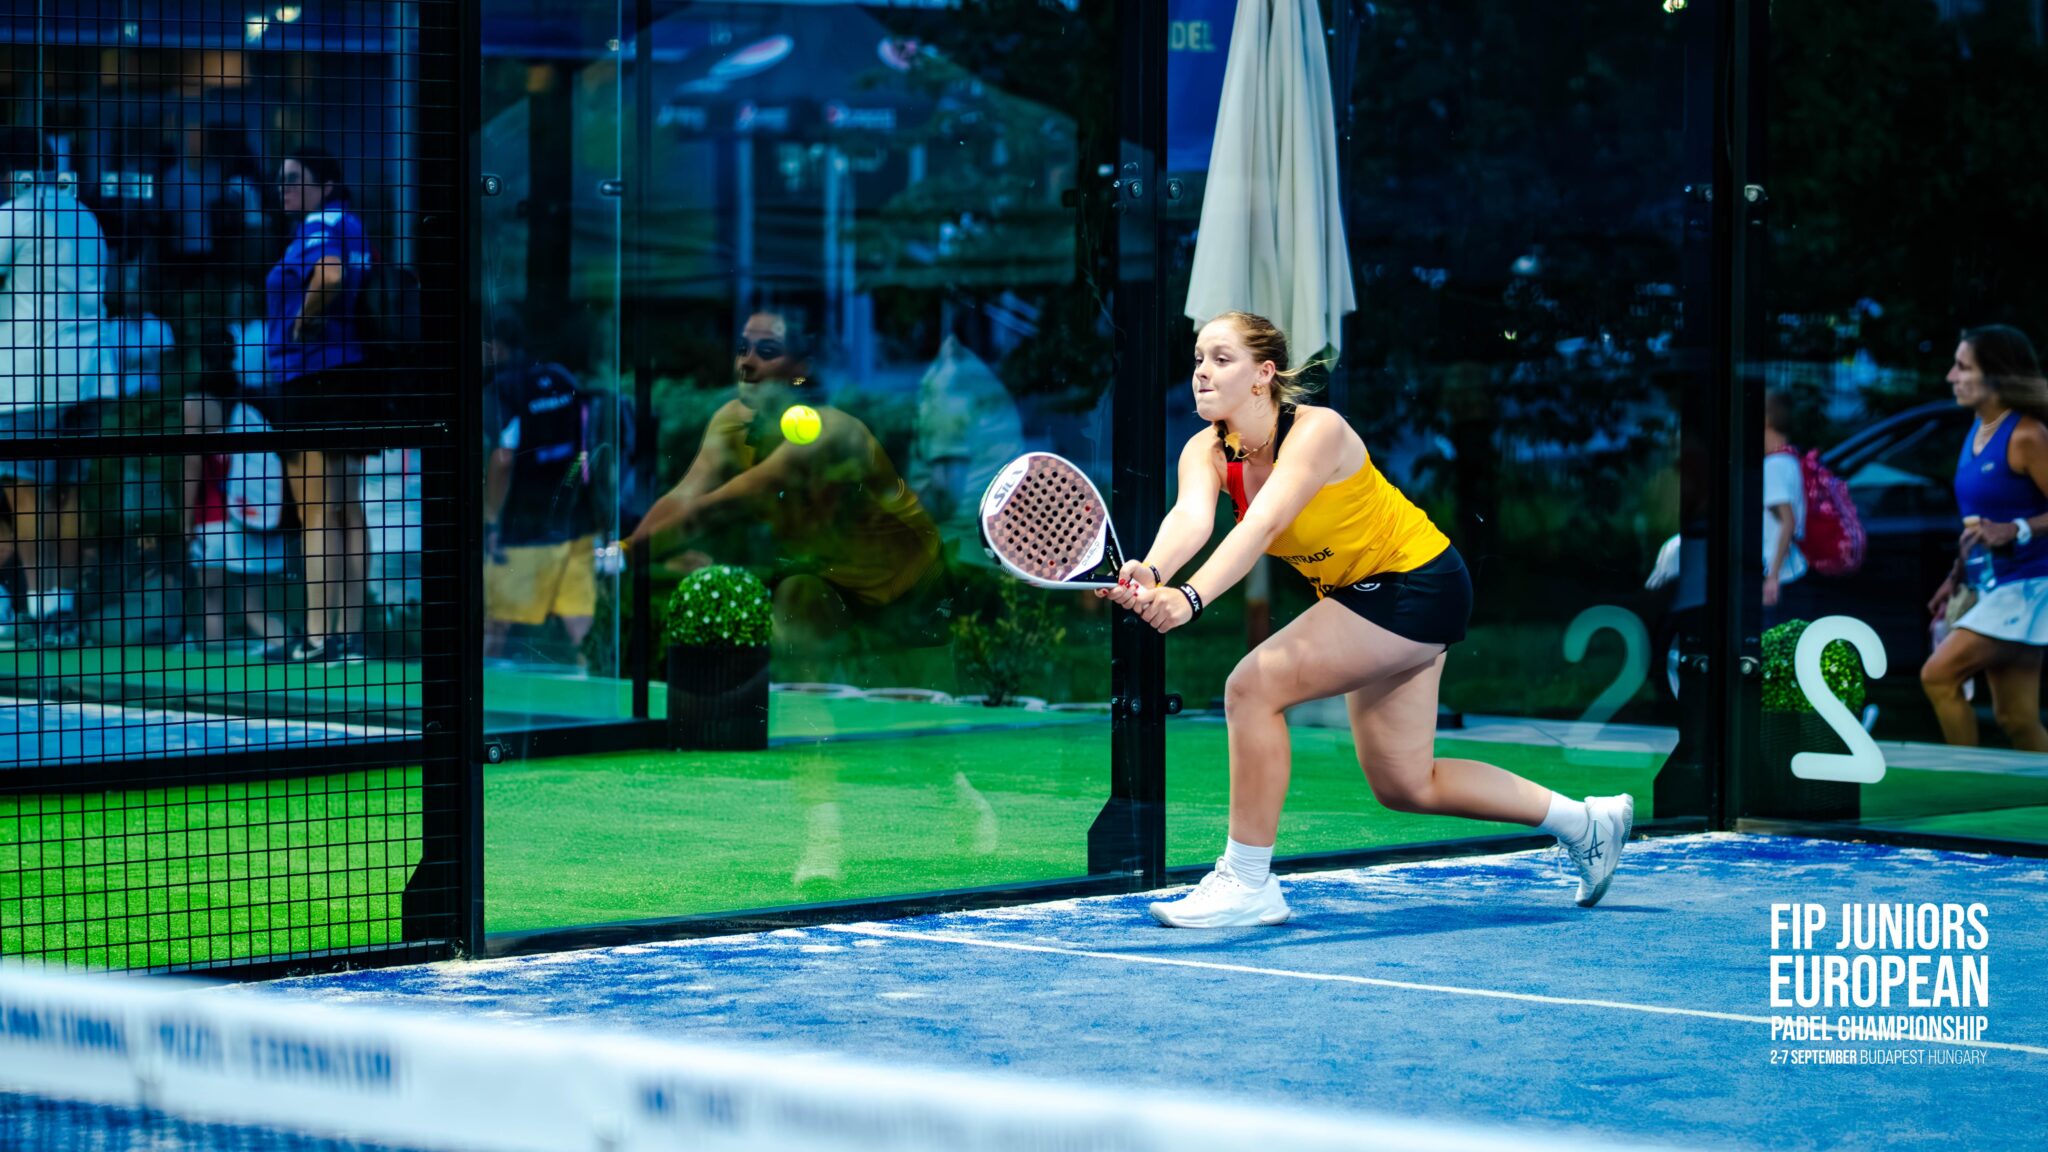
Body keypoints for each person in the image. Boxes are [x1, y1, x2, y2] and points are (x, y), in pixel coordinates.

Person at [1106, 311, 1633, 928]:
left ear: (1263, 375)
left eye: (1222, 359)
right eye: (1198, 359)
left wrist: (1191, 598)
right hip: (1368, 595)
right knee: (1406, 784)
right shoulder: (1207, 450)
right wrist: (1152, 571)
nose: (1201, 372)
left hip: (1418, 582)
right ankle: (1587, 824)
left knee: (1250, 689)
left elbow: (1264, 524)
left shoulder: (1318, 431)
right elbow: (1190, 519)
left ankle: (1247, 882)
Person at [624, 306, 949, 655]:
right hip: (827, 578)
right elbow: (685, 496)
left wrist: (620, 558)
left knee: (789, 618)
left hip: (909, 591)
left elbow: (718, 507)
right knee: (790, 606)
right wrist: (626, 550)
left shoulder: (829, 431)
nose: (747, 362)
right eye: (742, 349)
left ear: (800, 367)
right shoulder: (733, 421)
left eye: (766, 351)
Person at [256, 147, 374, 662]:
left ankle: (317, 636)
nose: (283, 188)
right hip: (349, 375)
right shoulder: (352, 223)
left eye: (294, 178)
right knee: (347, 507)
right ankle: (349, 635)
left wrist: (302, 323)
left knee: (316, 512)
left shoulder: (321, 224)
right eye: (280, 179)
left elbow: (329, 275)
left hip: (311, 376)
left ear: (324, 185)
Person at [0, 127, 111, 644]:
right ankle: (61, 610)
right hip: (87, 376)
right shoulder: (83, 216)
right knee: (66, 494)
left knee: (25, 493)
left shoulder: (15, 215)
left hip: (27, 378)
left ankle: (42, 609)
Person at [1921, 325, 2048, 751]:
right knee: (2017, 719)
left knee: (1937, 676)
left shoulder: (2027, 435)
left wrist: (2019, 528)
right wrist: (1954, 578)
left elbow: (2004, 526)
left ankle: (1962, 780)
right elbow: (1979, 527)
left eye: (1962, 367)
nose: (1951, 376)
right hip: (1995, 587)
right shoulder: (1977, 430)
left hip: (2027, 589)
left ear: (1994, 375)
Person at [483, 309, 598, 666]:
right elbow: (589, 446)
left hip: (523, 529)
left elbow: (503, 458)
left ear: (497, 346)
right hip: (574, 524)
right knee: (582, 630)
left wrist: (490, 519)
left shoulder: (504, 389)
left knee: (494, 629)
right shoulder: (562, 378)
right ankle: (592, 690)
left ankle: (485, 699)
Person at [1762, 391, 1812, 630]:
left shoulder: (1774, 465)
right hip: (1790, 570)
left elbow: (1788, 521)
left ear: (1767, 420)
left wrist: (1772, 577)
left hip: (1779, 576)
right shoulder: (1790, 460)